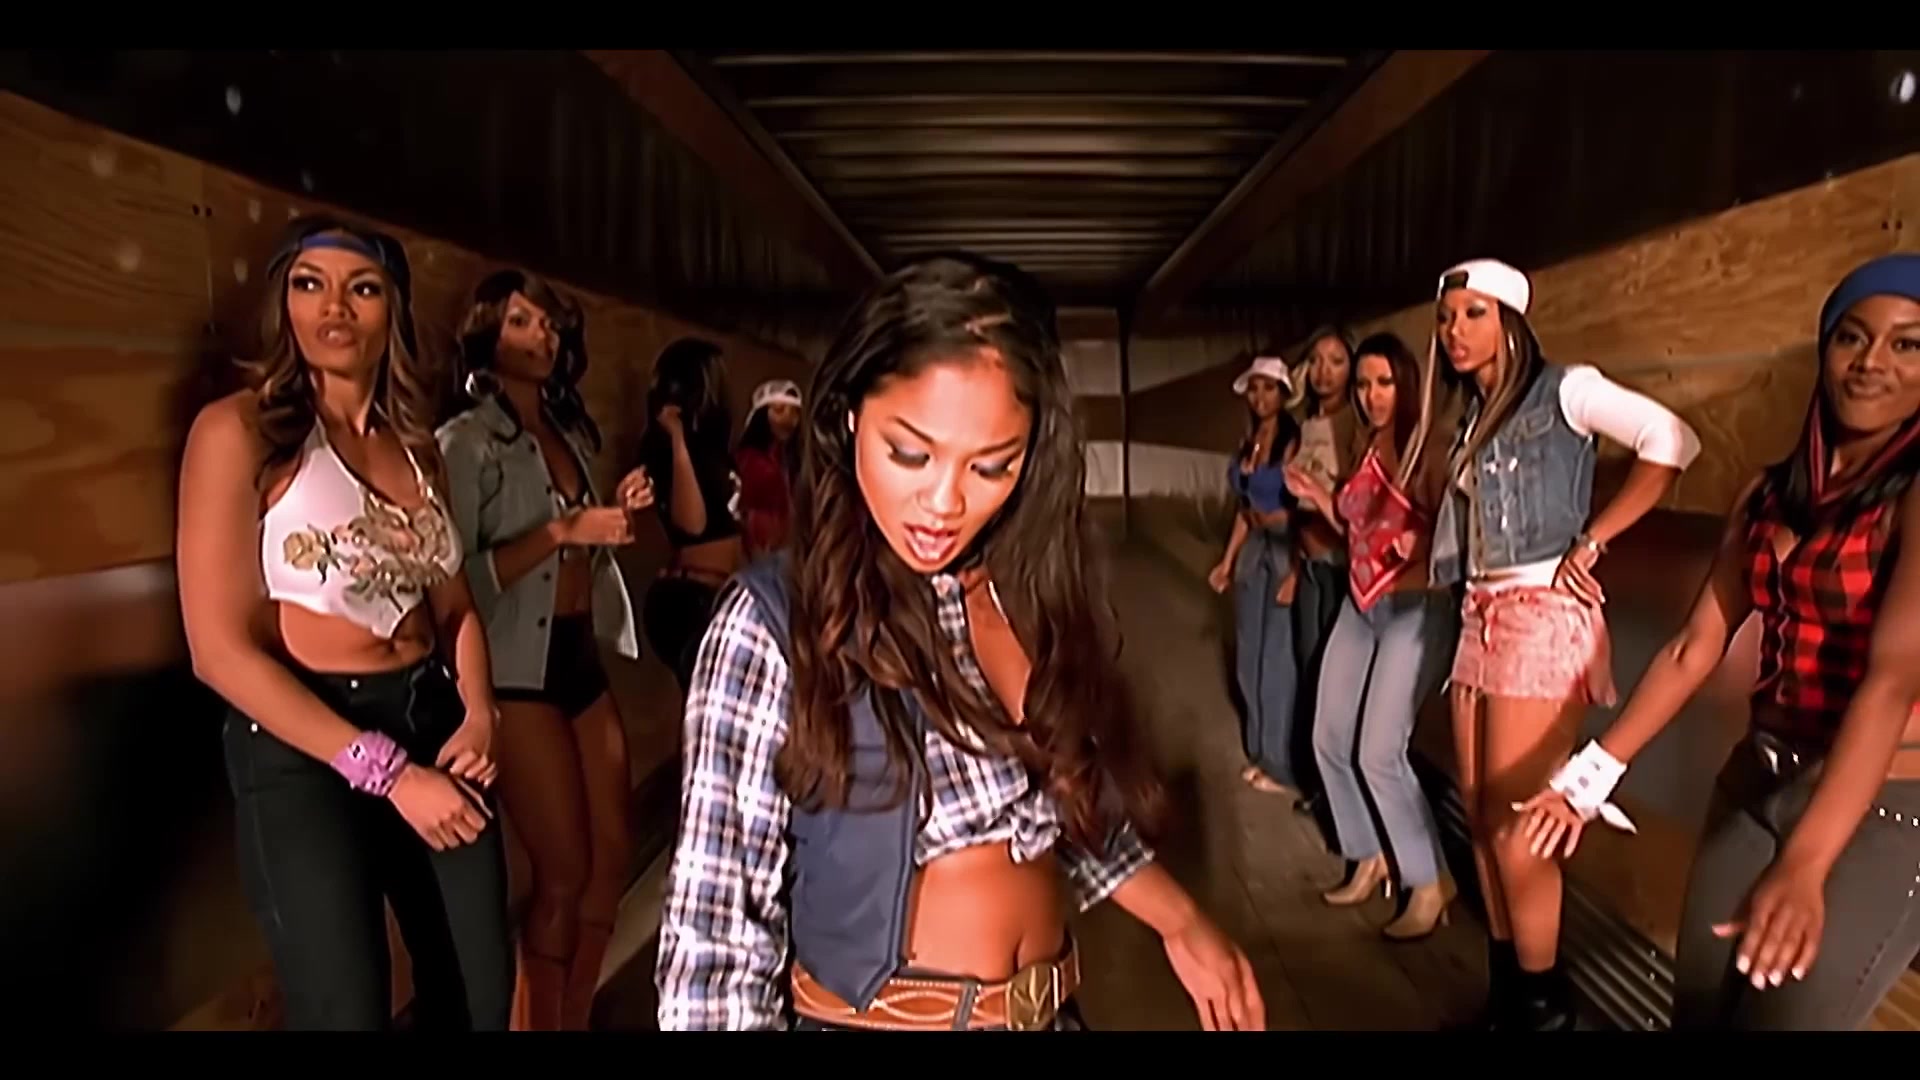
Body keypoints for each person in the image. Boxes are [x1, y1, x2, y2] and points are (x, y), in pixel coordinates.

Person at [653, 251, 1264, 1032]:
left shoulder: (1019, 592)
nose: (944, 503)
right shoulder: (774, 623)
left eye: (992, 466)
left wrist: (1179, 918)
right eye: (910, 453)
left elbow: (1048, 815)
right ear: (849, 418)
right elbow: (713, 943)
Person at [1517, 254, 1920, 1031]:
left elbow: (1894, 681)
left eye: (1908, 345)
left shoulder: (1912, 496)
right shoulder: (1767, 493)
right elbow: (1693, 646)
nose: (1873, 362)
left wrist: (1807, 862)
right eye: (1853, 337)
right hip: (1759, 778)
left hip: (1882, 808)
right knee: (1699, 1010)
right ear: (1826, 349)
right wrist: (1587, 779)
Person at [175, 214, 513, 1030]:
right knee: (347, 1007)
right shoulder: (238, 430)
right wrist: (389, 774)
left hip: (429, 717)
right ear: (282, 304)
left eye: (361, 288)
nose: (334, 307)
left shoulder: (419, 449)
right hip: (305, 740)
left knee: (478, 994)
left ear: (393, 308)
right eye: (309, 285)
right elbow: (217, 651)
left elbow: (455, 607)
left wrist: (480, 713)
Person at [1417, 257, 1701, 1030]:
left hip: (1541, 614)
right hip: (1481, 613)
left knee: (1520, 826)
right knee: (1481, 817)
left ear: (1510, 320)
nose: (1454, 331)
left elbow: (1671, 439)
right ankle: (1510, 995)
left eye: (1474, 314)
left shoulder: (1565, 388)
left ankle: (1544, 1007)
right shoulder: (1472, 416)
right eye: (1446, 317)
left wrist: (1595, 539)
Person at [437, 268, 653, 1031]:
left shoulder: (564, 433)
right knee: (562, 872)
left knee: (611, 859)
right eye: (523, 322)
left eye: (552, 326)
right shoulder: (465, 443)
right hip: (515, 673)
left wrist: (608, 519)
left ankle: (573, 1016)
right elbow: (454, 579)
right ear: (485, 332)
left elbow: (574, 552)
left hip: (578, 656)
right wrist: (562, 531)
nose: (544, 337)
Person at [1285, 331, 1460, 940]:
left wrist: (1423, 545)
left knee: (1379, 751)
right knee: (1328, 737)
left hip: (1416, 607)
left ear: (1405, 383)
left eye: (1384, 382)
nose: (1371, 395)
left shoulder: (1427, 447)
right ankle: (1369, 855)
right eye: (1363, 384)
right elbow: (1359, 530)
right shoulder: (1363, 443)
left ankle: (1429, 880)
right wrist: (1318, 497)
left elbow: (1458, 531)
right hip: (1361, 604)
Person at [1208, 353, 1305, 798]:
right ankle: (1260, 752)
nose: (1260, 396)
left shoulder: (1293, 441)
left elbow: (1305, 511)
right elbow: (1244, 512)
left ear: (1284, 395)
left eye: (1269, 388)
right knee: (1248, 658)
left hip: (1285, 550)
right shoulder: (1248, 443)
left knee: (1277, 662)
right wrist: (1227, 562)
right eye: (1254, 388)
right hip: (1254, 551)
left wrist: (1297, 570)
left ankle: (1280, 764)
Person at [636, 337, 745, 693]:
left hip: (714, 592)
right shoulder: (666, 447)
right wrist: (678, 442)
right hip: (689, 598)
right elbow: (691, 524)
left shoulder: (714, 447)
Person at [735, 378, 802, 556]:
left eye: (795, 412)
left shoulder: (791, 460)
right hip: (758, 551)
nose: (789, 419)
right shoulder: (749, 461)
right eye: (779, 410)